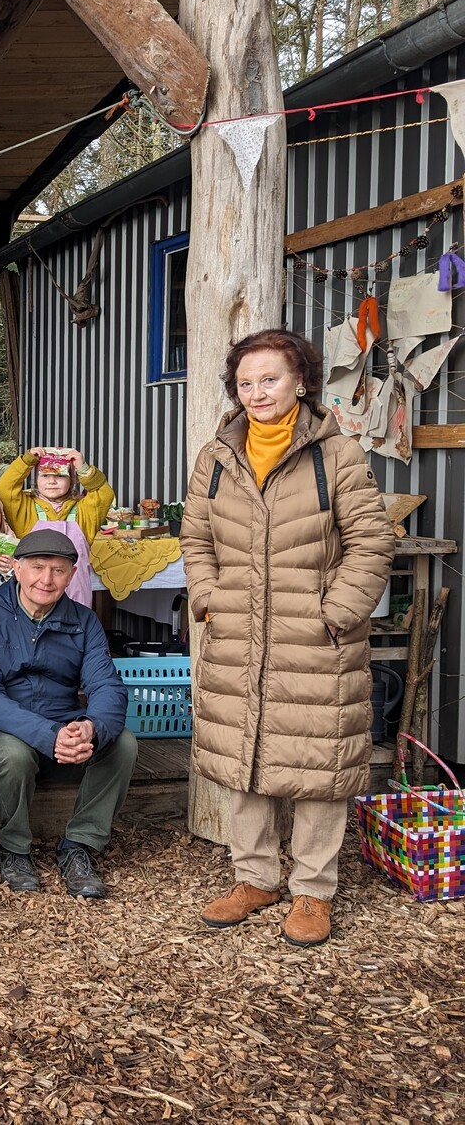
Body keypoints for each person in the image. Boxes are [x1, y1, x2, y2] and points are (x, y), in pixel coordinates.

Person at [183, 329, 394, 947]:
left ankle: (313, 890)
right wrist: (209, 597)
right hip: (238, 631)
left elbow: (372, 541)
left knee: (318, 760)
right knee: (245, 755)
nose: (257, 393)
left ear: (300, 381)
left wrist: (338, 612)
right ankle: (255, 878)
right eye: (245, 383)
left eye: (269, 379)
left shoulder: (337, 455)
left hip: (315, 638)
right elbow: (196, 537)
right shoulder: (217, 457)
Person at [0, 528, 135, 899]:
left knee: (122, 744)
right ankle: (14, 848)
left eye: (58, 570)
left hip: (64, 724)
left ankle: (80, 844)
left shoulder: (84, 621)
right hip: (8, 725)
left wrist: (89, 727)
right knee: (13, 754)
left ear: (71, 575)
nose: (46, 579)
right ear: (17, 569)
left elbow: (107, 685)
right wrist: (48, 735)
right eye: (37, 567)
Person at [0, 446, 114, 608]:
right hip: (35, 596)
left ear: (72, 480)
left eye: (60, 475)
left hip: (76, 599)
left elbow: (104, 494)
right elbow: (4, 489)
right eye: (45, 475)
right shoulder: (25, 509)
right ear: (36, 478)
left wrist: (83, 469)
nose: (51, 481)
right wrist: (26, 462)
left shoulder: (84, 511)